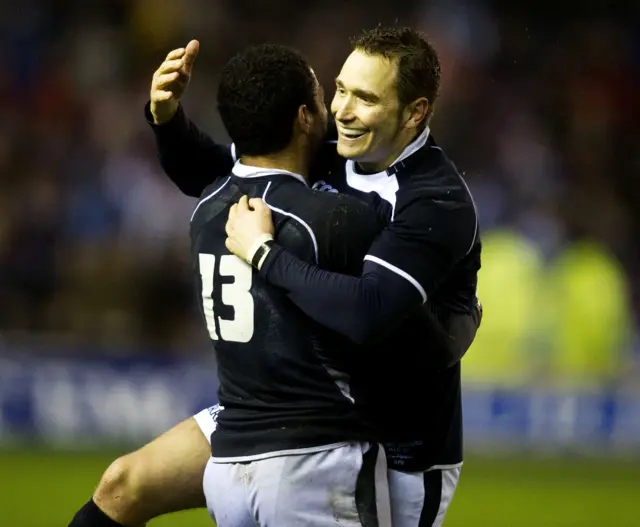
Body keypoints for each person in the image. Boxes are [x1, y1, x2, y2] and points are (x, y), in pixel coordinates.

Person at [71, 26, 482, 527]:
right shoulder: (330, 151)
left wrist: (265, 254)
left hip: (398, 439)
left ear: (415, 112)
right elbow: (221, 170)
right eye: (341, 89)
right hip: (288, 403)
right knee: (123, 485)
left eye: (366, 99)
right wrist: (167, 120)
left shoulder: (435, 199)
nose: (344, 110)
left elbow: (371, 311)